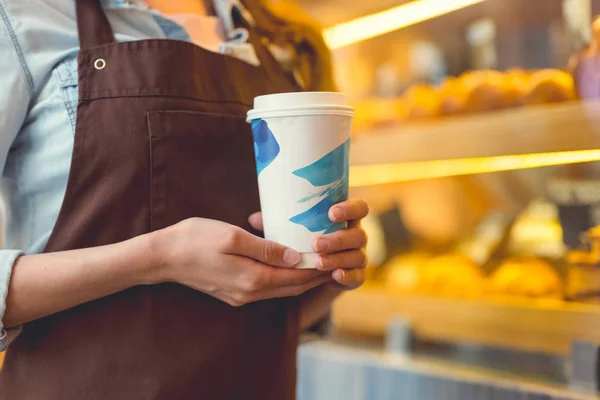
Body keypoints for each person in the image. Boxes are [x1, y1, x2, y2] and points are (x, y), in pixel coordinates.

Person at [0, 0, 368, 399]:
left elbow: (269, 320)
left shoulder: (284, 41)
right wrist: (157, 258)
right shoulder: (22, 16)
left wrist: (326, 273)